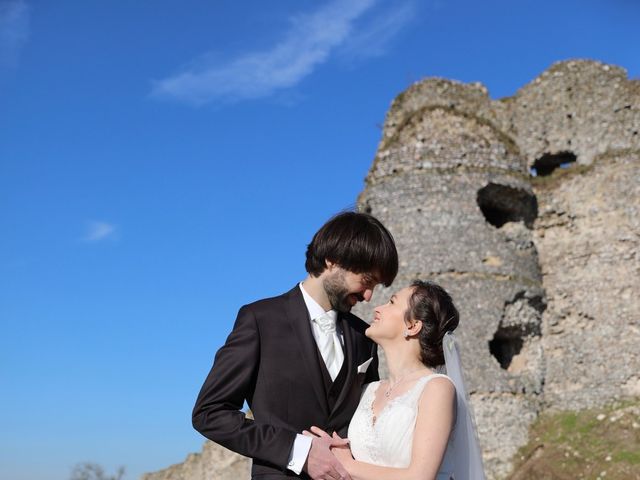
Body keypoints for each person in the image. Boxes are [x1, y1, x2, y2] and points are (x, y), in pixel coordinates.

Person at [192, 211, 399, 479]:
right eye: (367, 281)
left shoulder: (364, 337)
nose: (369, 296)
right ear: (333, 261)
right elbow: (209, 413)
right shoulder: (260, 320)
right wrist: (298, 451)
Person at [305, 281, 486, 480]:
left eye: (391, 302)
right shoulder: (367, 390)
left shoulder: (437, 388)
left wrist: (347, 464)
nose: (377, 308)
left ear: (413, 325)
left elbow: (420, 476)